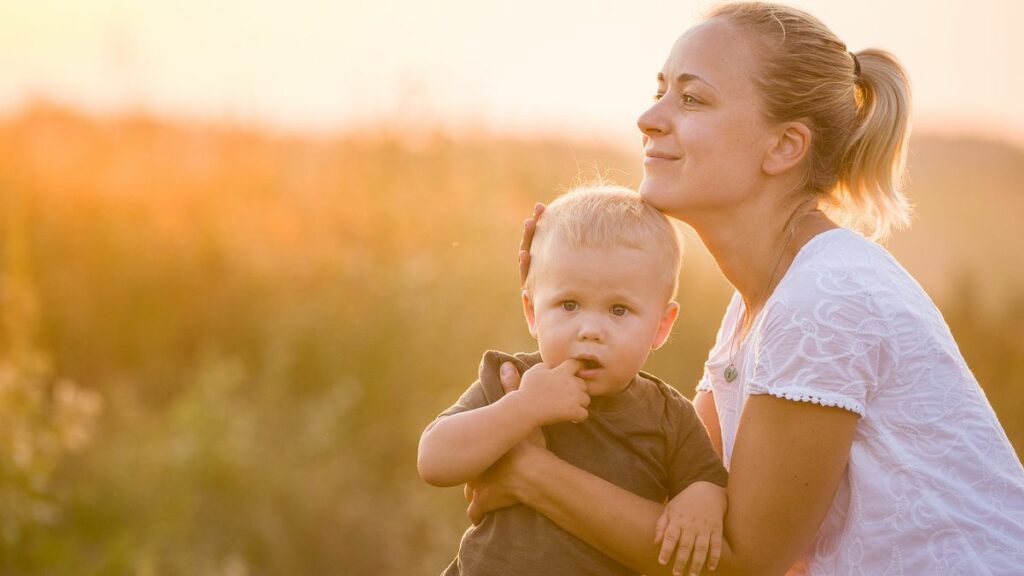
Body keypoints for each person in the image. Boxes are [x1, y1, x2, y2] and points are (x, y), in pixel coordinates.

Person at [463, 3, 1024, 575]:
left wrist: (531, 474)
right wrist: (558, 291)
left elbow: (741, 561)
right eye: (660, 90)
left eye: (691, 98)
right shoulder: (763, 301)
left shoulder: (823, 299)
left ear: (784, 146)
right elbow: (662, 477)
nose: (648, 117)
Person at [418, 185, 729, 576]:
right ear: (532, 312)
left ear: (661, 326)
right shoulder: (513, 380)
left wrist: (702, 501)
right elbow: (434, 460)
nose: (590, 329)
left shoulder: (669, 416)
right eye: (569, 305)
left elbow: (708, 481)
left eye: (619, 310)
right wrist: (524, 408)